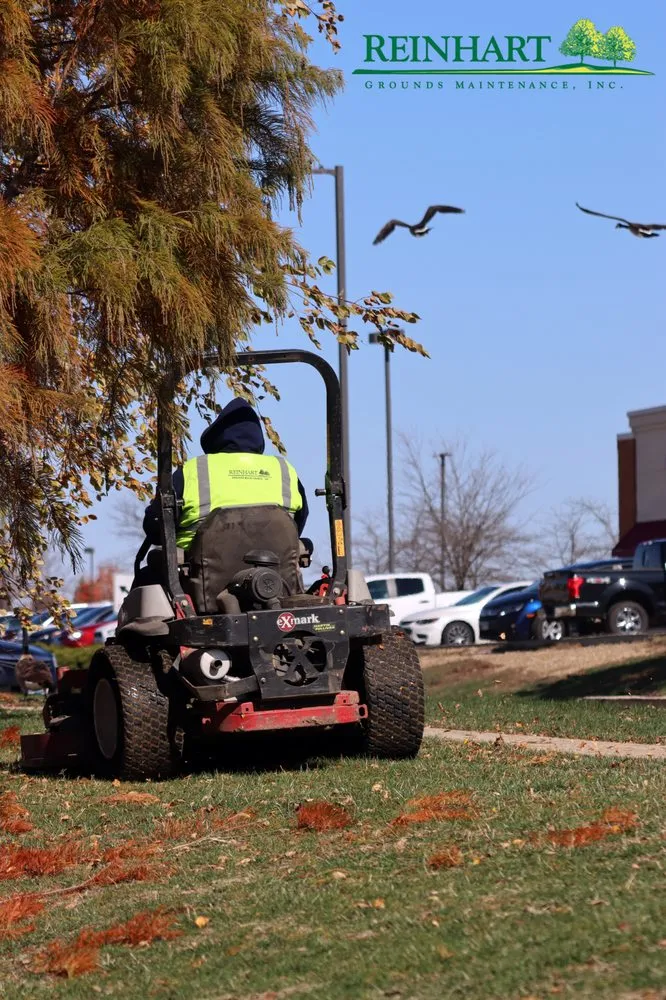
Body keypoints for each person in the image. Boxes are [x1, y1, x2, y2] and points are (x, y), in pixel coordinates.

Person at [141, 398, 309, 553]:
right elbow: (298, 523)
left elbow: (156, 528)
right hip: (276, 571)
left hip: (198, 573)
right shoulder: (284, 469)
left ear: (216, 437)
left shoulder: (193, 470)